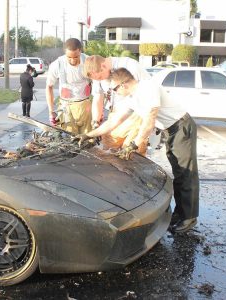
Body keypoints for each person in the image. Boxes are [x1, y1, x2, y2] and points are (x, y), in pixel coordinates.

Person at [76, 68, 199, 233]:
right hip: (170, 130)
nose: (115, 92)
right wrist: (88, 135)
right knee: (178, 171)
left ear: (124, 84)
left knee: (186, 173)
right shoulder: (131, 98)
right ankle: (180, 214)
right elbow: (115, 121)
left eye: (115, 89)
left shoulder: (148, 88)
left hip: (181, 127)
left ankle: (189, 218)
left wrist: (134, 144)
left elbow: (150, 120)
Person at [46, 38, 92, 134]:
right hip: (66, 107)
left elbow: (98, 86)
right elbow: (49, 86)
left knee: (88, 138)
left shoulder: (88, 62)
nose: (72, 60)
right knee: (70, 139)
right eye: (69, 57)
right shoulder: (57, 65)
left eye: (76, 57)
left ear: (80, 51)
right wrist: (51, 111)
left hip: (85, 106)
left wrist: (98, 113)